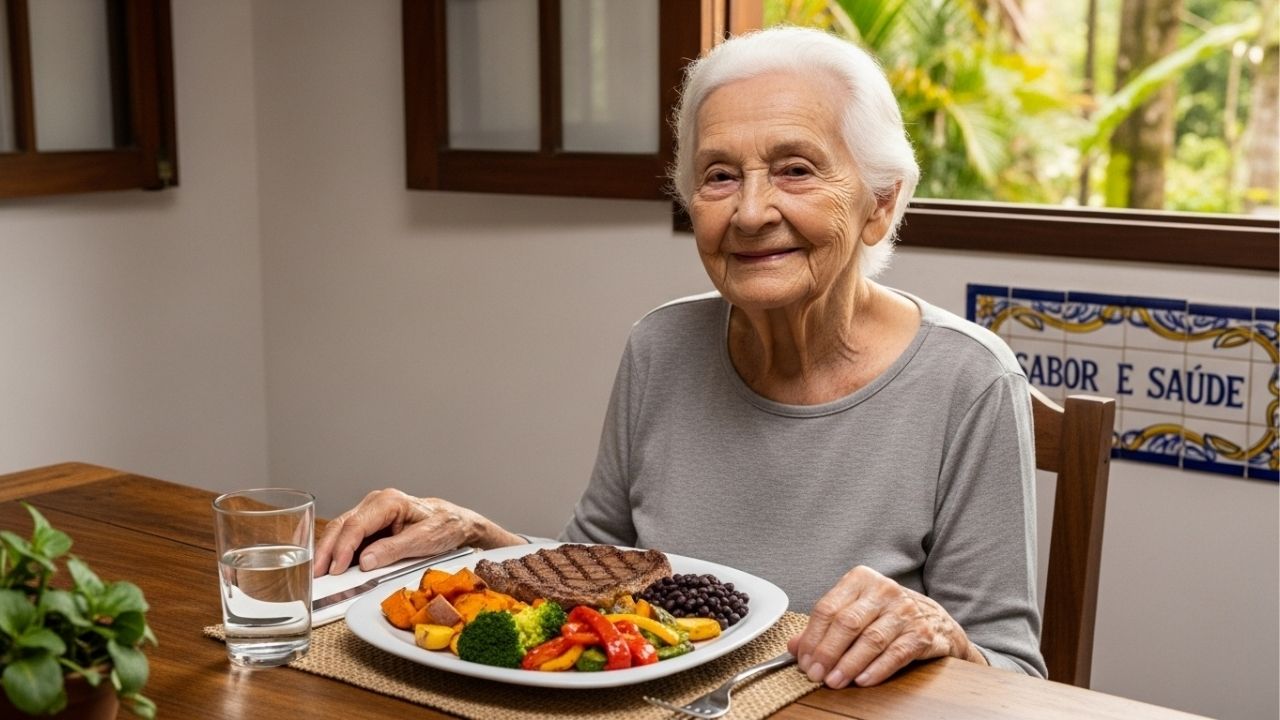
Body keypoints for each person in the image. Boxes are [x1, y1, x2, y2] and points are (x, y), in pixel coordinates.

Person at [314, 26, 1046, 687]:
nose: (751, 213)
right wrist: (476, 536)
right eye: (720, 175)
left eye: (795, 169)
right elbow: (591, 579)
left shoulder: (968, 381)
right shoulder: (659, 347)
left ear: (880, 203)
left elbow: (1015, 678)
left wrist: (938, 633)